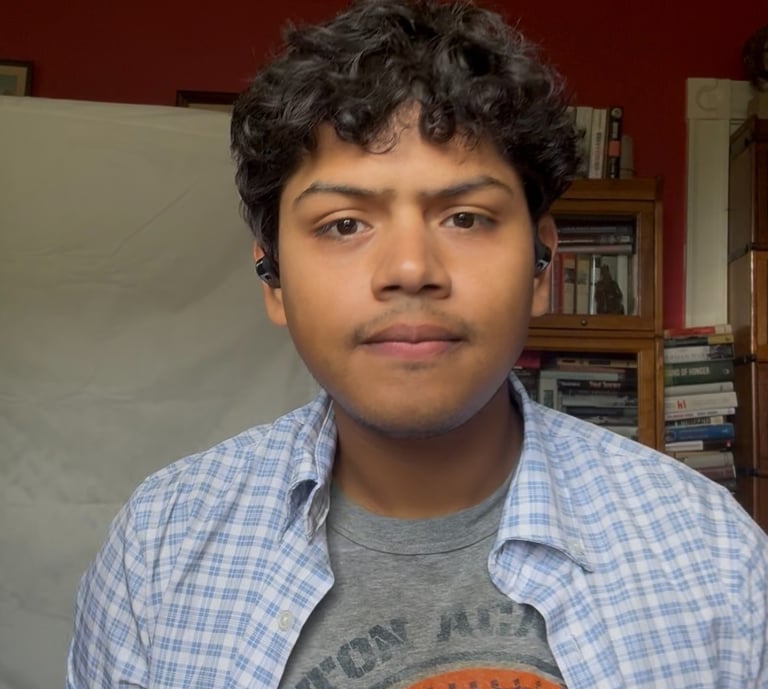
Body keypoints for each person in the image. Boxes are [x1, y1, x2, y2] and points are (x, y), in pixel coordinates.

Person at [66, 1, 768, 687]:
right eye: (344, 224)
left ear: (540, 267)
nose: (411, 269)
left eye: (465, 217)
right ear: (273, 278)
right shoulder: (161, 548)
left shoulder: (716, 558)